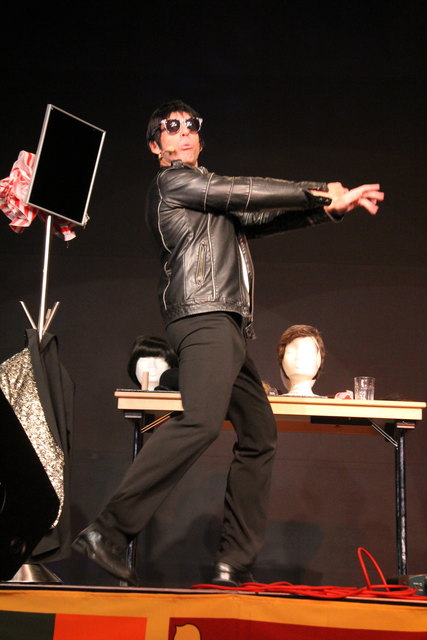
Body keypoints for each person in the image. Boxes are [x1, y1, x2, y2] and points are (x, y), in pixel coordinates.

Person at [72, 99, 383, 587]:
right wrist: (319, 190)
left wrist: (328, 208)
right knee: (200, 421)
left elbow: (260, 217)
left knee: (259, 435)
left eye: (191, 125)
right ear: (155, 146)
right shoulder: (174, 183)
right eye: (171, 127)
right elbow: (243, 191)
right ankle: (107, 531)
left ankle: (232, 561)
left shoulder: (211, 201)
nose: (184, 132)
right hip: (203, 317)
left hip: (227, 326)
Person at [277, 324, 325, 396]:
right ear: (282, 360)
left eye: (307, 351)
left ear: (319, 359)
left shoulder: (334, 402)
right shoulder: (271, 401)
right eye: (290, 352)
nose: (298, 357)